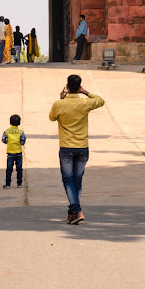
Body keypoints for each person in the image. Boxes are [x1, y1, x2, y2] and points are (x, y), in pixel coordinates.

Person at [49, 74, 104, 224]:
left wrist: (61, 99)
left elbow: (52, 117)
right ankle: (72, 212)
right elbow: (100, 101)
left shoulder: (59, 104)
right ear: (79, 87)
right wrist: (85, 92)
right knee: (77, 180)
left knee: (68, 179)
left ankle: (76, 210)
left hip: (66, 147)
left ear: (66, 86)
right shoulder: (85, 103)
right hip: (82, 147)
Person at [2, 113, 26, 187]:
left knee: (9, 169)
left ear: (10, 122)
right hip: (18, 152)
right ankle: (19, 183)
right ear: (19, 122)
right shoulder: (20, 132)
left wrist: (8, 142)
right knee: (19, 169)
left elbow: (3, 139)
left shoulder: (7, 131)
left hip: (10, 153)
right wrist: (19, 143)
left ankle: (8, 184)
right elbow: (23, 140)